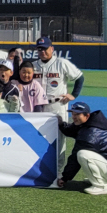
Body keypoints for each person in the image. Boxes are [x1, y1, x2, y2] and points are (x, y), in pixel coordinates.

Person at [32, 36, 85, 173]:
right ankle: (39, 167)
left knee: (59, 138)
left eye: (45, 49)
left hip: (58, 105)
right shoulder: (33, 65)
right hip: (39, 106)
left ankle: (58, 171)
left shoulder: (61, 63)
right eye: (39, 49)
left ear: (52, 49)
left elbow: (79, 77)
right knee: (38, 136)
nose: (42, 52)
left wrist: (74, 95)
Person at [58, 102, 107, 195]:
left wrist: (65, 178)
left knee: (82, 154)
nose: (74, 117)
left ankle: (101, 186)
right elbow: (71, 130)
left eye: (78, 114)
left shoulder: (91, 134)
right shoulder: (88, 124)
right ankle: (97, 179)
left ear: (87, 115)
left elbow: (74, 159)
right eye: (73, 114)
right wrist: (61, 124)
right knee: (83, 154)